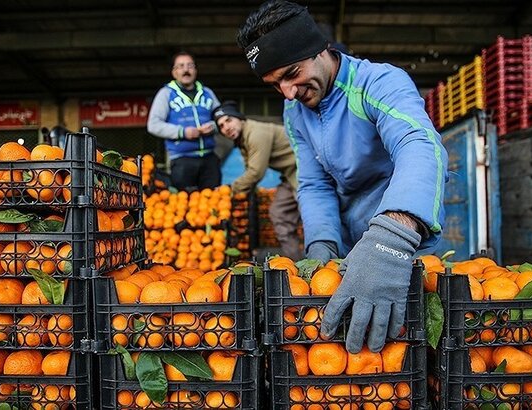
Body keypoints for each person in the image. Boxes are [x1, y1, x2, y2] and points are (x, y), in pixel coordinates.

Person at [238, 0, 448, 354]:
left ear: (320, 50)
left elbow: (419, 145)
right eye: (275, 84)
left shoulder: (378, 82)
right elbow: (314, 182)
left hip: (399, 243)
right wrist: (322, 245)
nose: (288, 93)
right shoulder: (295, 111)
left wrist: (392, 238)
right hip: (350, 249)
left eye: (291, 74)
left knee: (401, 348)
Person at [213, 101, 302, 260]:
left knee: (311, 213)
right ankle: (297, 263)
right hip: (289, 175)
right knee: (279, 213)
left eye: (228, 120)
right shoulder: (242, 141)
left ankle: (324, 262)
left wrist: (229, 189)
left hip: (304, 170)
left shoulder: (256, 133)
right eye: (221, 126)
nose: (226, 127)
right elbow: (250, 171)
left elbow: (255, 172)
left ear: (239, 118)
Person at [147, 51, 221, 190]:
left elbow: (222, 118)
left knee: (214, 202)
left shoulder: (207, 92)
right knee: (183, 205)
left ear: (196, 70)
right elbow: (153, 125)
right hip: (182, 160)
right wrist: (183, 132)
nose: (186, 70)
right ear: (174, 72)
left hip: (209, 159)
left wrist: (213, 126)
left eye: (190, 66)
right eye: (180, 66)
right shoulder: (166, 93)